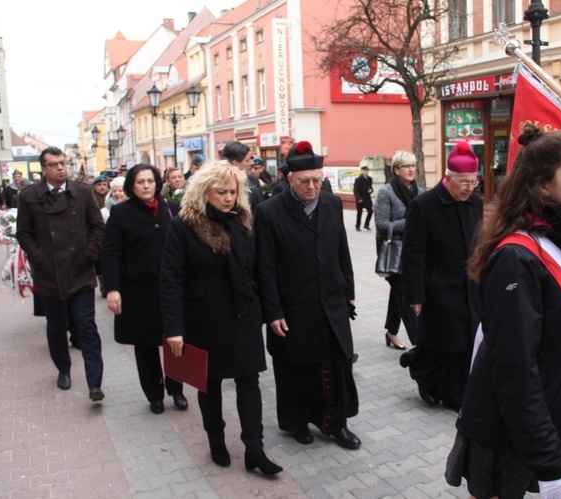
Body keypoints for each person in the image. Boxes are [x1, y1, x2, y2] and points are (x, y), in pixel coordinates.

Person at [445, 124, 561, 499]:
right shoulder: (517, 258)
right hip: (511, 423)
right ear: (543, 185)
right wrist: (548, 461)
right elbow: (514, 369)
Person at [160, 161, 282, 474]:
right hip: (204, 318)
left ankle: (255, 448)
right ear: (204, 191)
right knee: (209, 384)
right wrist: (174, 328)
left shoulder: (242, 221)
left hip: (243, 315)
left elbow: (259, 271)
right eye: (221, 192)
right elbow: (171, 277)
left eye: (232, 191)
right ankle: (216, 440)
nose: (228, 198)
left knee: (249, 380)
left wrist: (271, 312)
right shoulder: (184, 225)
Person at [254, 140, 361, 450]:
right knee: (297, 369)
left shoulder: (333, 204)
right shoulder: (269, 212)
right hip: (292, 307)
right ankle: (296, 422)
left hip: (331, 303)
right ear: (290, 180)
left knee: (337, 365)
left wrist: (349, 291)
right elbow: (266, 268)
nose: (313, 186)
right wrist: (273, 312)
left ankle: (336, 424)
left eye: (318, 180)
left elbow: (342, 250)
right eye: (305, 181)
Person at [16, 146, 105, 402]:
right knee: (56, 327)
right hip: (49, 274)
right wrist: (39, 258)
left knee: (87, 327)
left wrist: (89, 253)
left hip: (80, 271)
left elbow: (97, 226)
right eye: (54, 164)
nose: (60, 168)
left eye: (62, 163)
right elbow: (24, 233)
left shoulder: (82, 191)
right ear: (43, 169)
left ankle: (94, 384)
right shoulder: (29, 196)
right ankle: (63, 369)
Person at [399, 141, 482, 409]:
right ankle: (425, 374)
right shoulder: (423, 205)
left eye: (474, 182)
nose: (470, 188)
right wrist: (414, 294)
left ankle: (457, 393)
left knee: (466, 340)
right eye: (464, 183)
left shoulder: (475, 203)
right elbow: (413, 254)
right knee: (444, 343)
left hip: (469, 285)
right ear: (449, 178)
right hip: (438, 287)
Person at [101, 164, 186, 414]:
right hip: (138, 292)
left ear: (158, 183)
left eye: (150, 181)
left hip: (172, 290)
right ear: (131, 186)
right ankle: (154, 394)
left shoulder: (172, 208)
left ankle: (177, 389)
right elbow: (109, 253)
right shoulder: (121, 214)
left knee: (176, 341)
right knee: (145, 346)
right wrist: (113, 289)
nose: (146, 186)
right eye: (140, 182)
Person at [374, 152, 423, 349]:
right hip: (394, 253)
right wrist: (410, 222)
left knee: (398, 294)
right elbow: (381, 224)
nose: (411, 169)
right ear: (396, 169)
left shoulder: (419, 191)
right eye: (406, 166)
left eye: (413, 165)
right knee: (406, 298)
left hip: (413, 252)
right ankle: (420, 345)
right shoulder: (386, 192)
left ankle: (391, 333)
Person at [221, 141, 263, 211]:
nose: (252, 163)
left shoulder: (253, 179)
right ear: (235, 164)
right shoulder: (220, 184)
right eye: (248, 160)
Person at [354, 166, 374, 231]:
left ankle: (366, 224)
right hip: (360, 198)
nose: (367, 171)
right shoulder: (358, 180)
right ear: (362, 171)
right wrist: (358, 198)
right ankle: (357, 226)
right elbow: (355, 190)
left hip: (367, 198)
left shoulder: (370, 179)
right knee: (359, 213)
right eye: (365, 170)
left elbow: (370, 188)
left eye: (367, 170)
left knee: (370, 211)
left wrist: (371, 190)